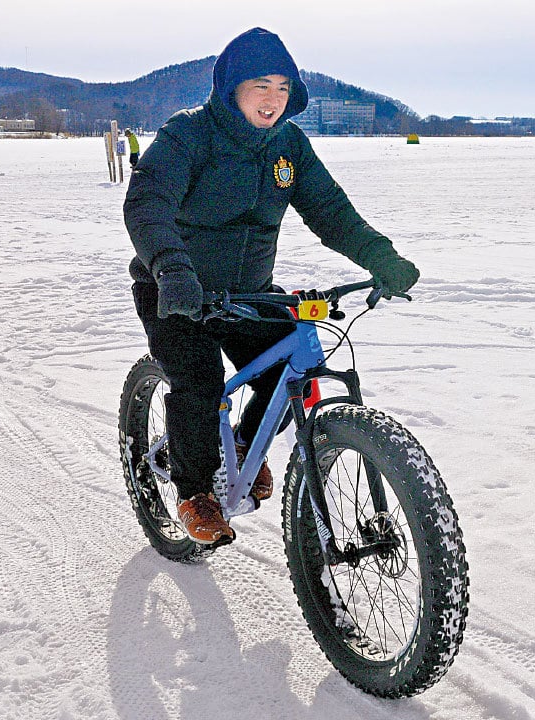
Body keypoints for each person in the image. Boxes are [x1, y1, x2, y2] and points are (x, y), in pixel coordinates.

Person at [123, 27, 419, 546]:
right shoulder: (188, 134)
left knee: (291, 369)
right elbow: (148, 203)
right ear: (231, 87)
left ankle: (239, 448)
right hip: (175, 288)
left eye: (283, 88)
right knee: (199, 381)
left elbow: (329, 210)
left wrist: (381, 257)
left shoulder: (288, 145)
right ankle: (194, 491)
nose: (273, 99)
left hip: (249, 293)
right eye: (262, 85)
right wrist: (171, 267)